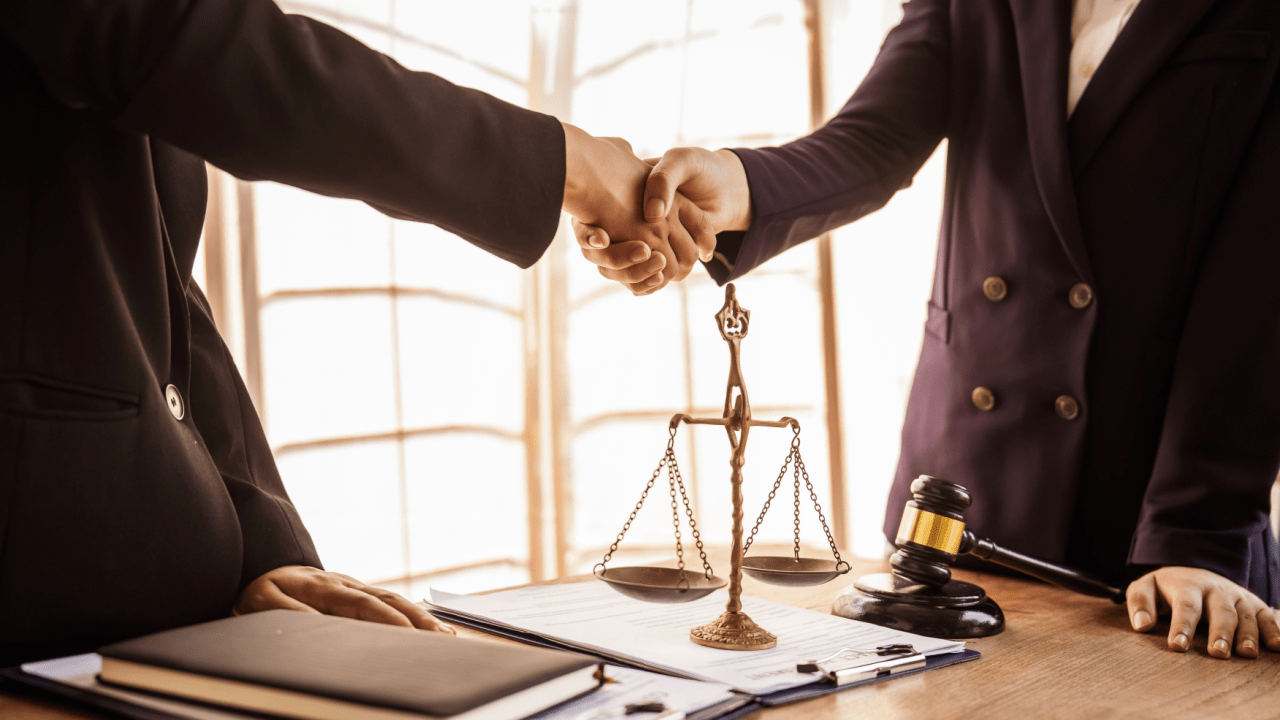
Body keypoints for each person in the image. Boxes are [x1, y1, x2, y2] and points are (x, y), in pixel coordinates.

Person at [0, 0, 714, 665]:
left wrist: (264, 550)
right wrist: (568, 165)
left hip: (149, 624)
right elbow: (206, 48)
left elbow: (159, 290)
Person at [577, 0, 1280, 658]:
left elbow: (1257, 284)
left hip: (1158, 535)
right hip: (963, 501)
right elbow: (873, 139)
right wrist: (737, 186)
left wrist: (1198, 533)